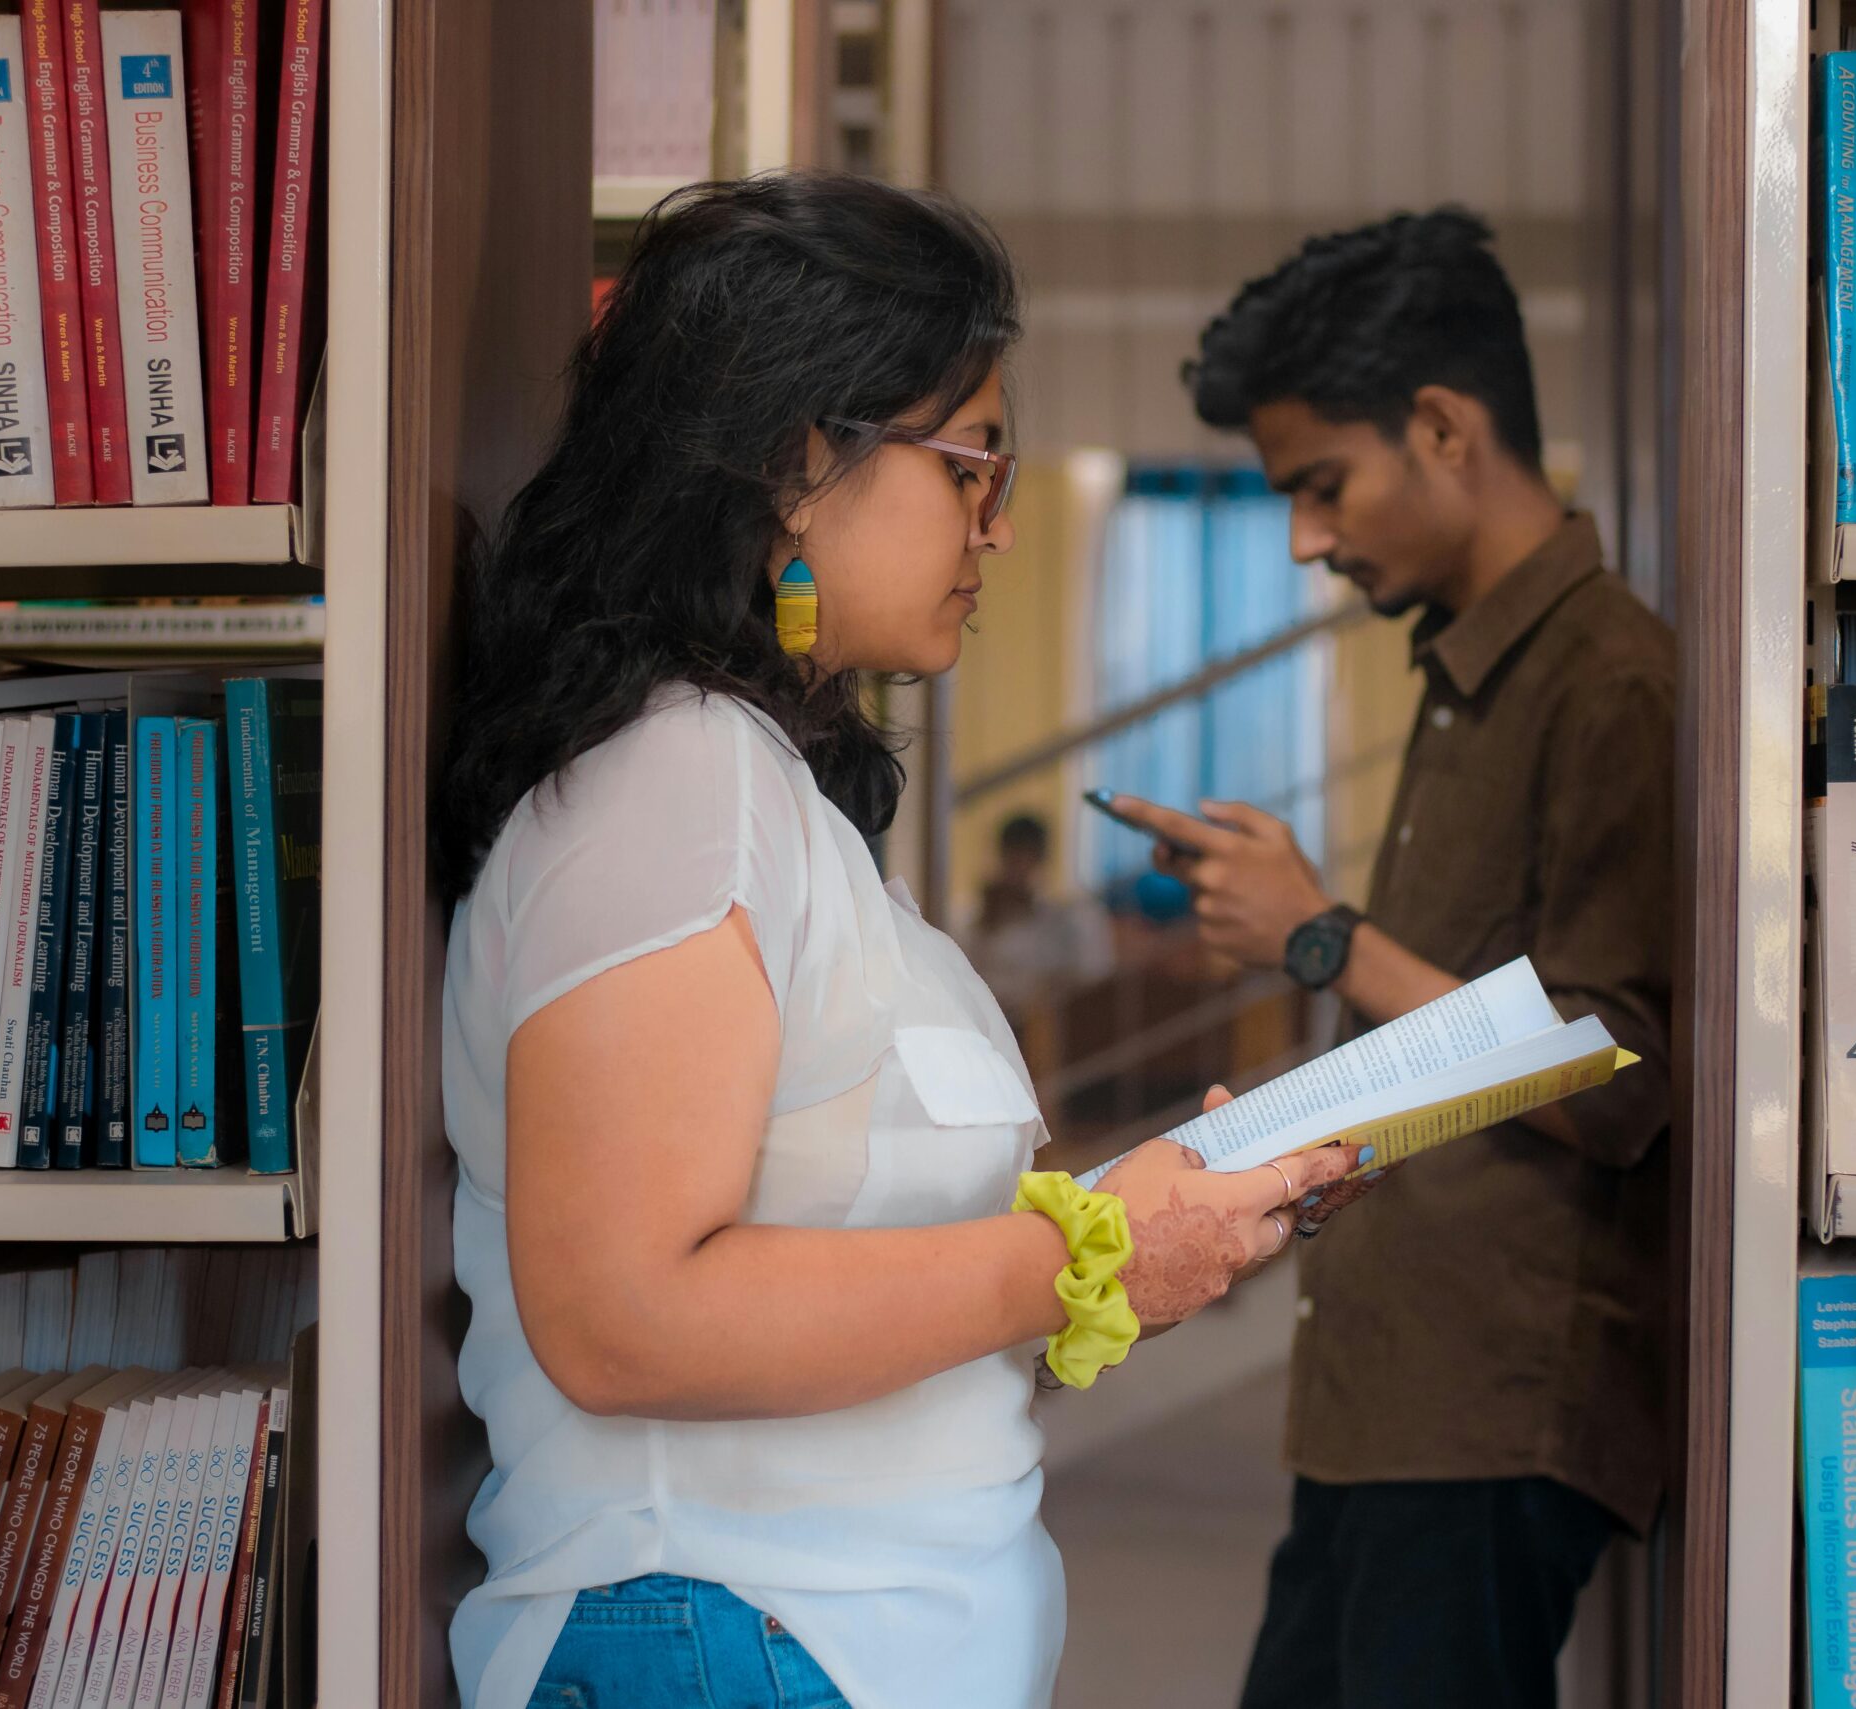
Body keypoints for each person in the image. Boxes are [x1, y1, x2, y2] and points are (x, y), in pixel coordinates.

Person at [431, 174, 1363, 1709]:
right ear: (805, 461)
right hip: (729, 1637)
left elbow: (833, 1277)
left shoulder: (763, 786)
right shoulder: (676, 781)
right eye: (974, 462)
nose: (995, 523)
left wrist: (1141, 1249)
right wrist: (1090, 1248)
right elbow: (624, 1316)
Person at [1107, 208, 1675, 1708]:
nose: (1306, 539)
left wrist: (1325, 938)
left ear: (1442, 426)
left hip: (1488, 1410)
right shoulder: (1468, 668)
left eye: (1321, 486)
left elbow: (1617, 1067)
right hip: (1392, 1392)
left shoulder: (1613, 675)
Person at [953, 811, 1115, 1016]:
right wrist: (987, 925)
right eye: (1014, 858)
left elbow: (1092, 976)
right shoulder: (978, 919)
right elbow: (964, 979)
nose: (1020, 869)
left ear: (1040, 859)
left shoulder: (1069, 920)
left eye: (1027, 857)